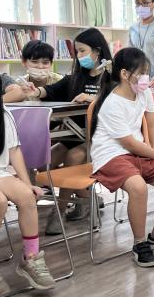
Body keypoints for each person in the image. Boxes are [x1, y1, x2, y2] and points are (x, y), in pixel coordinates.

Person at [90, 48, 154, 267]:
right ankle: (140, 243)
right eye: (142, 72)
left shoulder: (144, 93)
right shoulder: (111, 103)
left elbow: (152, 125)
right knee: (138, 187)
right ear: (125, 74)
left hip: (138, 153)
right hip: (111, 155)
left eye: (147, 72)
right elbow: (129, 143)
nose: (146, 77)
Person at [24, 28, 112, 234]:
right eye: (77, 52)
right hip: (73, 136)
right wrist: (35, 91)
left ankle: (59, 212)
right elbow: (50, 91)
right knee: (44, 164)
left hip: (98, 138)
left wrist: (94, 98)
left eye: (82, 51)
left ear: (97, 51)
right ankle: (87, 198)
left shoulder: (111, 77)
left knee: (73, 158)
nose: (79, 56)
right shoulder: (75, 78)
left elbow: (117, 101)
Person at [0, 57, 56, 297]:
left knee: (26, 196)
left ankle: (31, 258)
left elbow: (14, 151)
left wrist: (27, 183)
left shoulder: (2, 114)